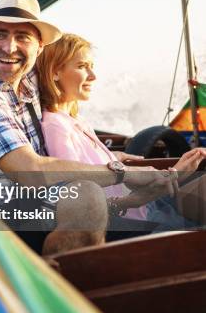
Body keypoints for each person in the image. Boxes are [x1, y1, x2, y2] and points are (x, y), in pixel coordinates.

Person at [0, 0, 176, 255]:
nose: (10, 47)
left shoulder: (25, 82)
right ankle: (55, 285)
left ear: (39, 47)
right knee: (88, 198)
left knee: (147, 224)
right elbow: (28, 169)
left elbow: (64, 76)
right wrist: (122, 172)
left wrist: (108, 156)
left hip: (32, 200)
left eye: (23, 37)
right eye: (0, 34)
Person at [36, 33, 206, 227]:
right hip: (130, 218)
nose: (93, 76)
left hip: (144, 206)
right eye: (82, 66)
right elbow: (77, 193)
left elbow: (90, 167)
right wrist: (139, 197)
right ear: (54, 73)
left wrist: (173, 173)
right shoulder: (56, 127)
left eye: (92, 66)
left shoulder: (76, 121)